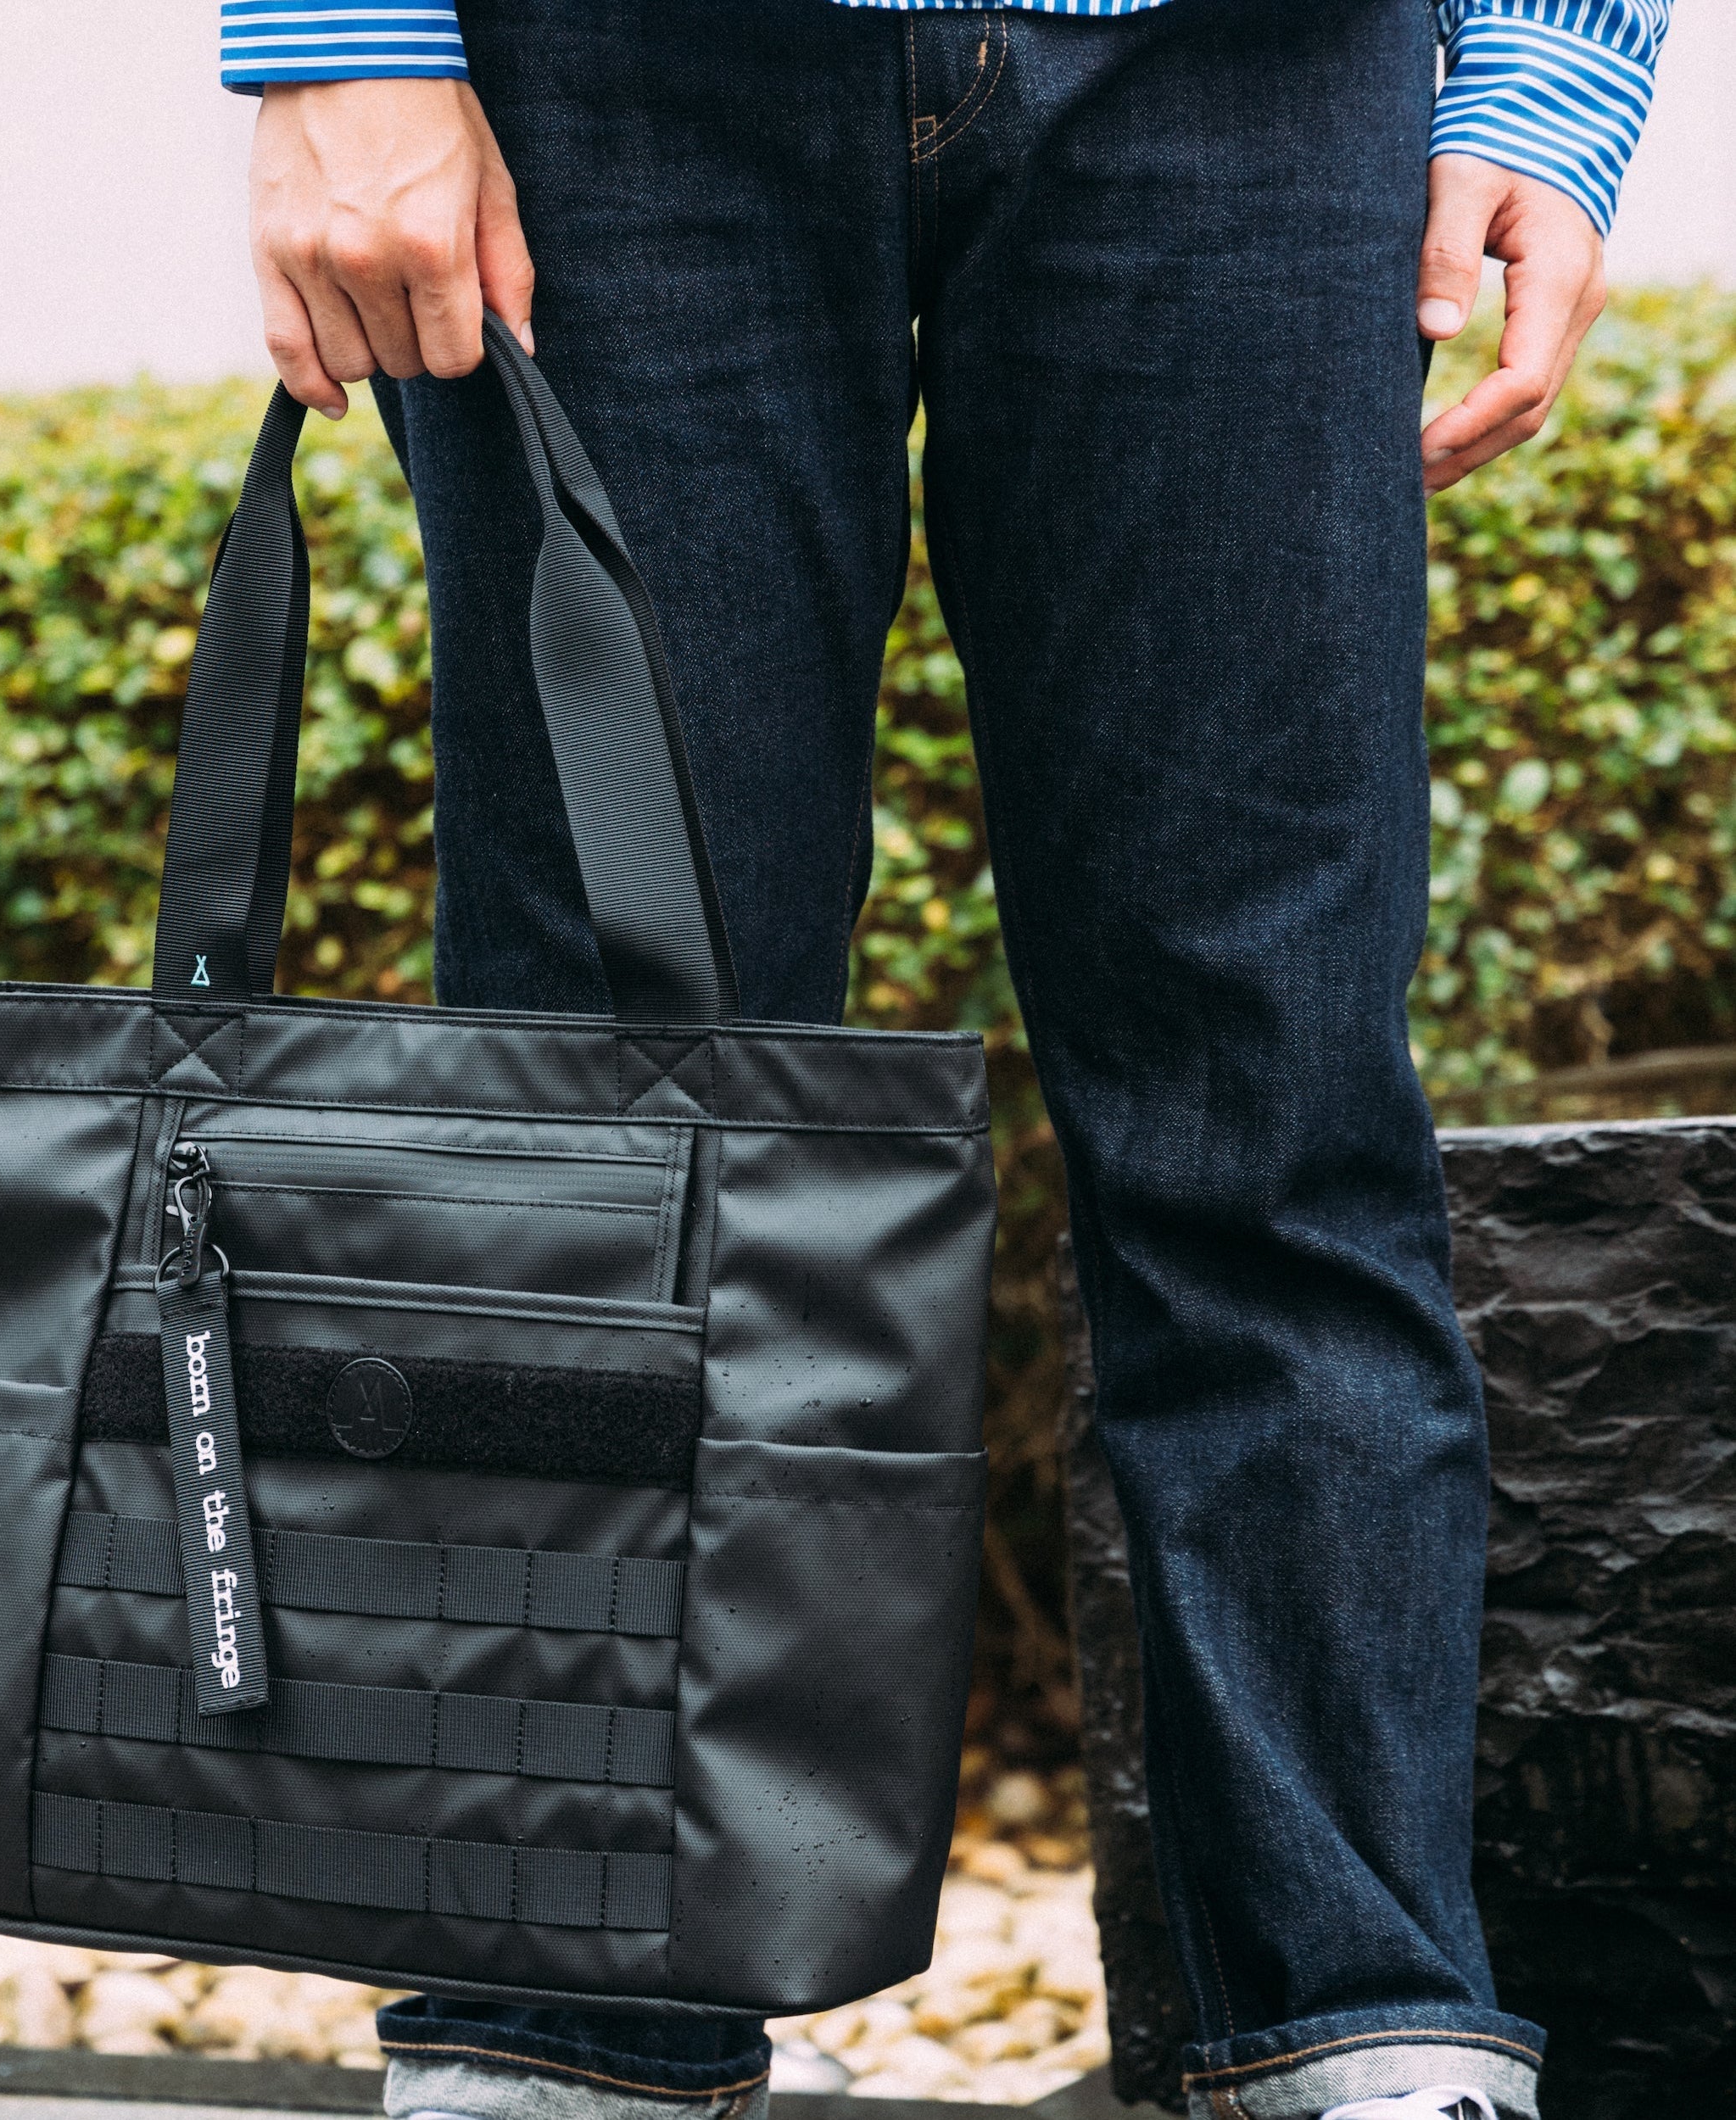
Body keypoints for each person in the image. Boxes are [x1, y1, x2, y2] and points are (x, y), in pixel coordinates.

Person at [221, 4, 1670, 2118]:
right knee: (607, 1107)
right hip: (614, 86)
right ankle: (565, 2037)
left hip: (1249, 69)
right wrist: (341, 34)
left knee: (1271, 1098)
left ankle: (1359, 2022)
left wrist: (1552, 56)